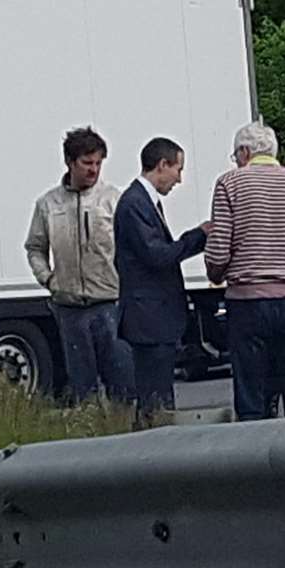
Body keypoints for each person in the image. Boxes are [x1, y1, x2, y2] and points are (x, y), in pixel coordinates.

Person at [205, 121, 285, 420]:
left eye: (236, 156)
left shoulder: (229, 183)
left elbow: (220, 247)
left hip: (249, 302)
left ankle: (255, 458)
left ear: (244, 152)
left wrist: (216, 273)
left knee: (252, 394)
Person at [25, 126, 131, 407]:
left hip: (110, 303)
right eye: (87, 163)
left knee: (122, 385)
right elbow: (35, 247)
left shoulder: (113, 200)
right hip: (69, 308)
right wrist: (47, 279)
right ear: (70, 163)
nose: (94, 170)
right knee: (83, 390)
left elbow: (130, 247)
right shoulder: (48, 203)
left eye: (98, 163)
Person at [114, 137, 210, 428]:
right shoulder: (134, 204)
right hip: (149, 319)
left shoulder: (144, 202)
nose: (179, 179)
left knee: (160, 392)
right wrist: (198, 237)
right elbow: (156, 255)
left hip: (155, 318)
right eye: (177, 170)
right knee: (155, 397)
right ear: (162, 164)